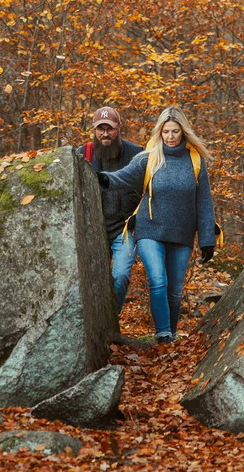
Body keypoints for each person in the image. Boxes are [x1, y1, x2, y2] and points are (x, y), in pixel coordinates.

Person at [96, 106, 216, 344]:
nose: (170, 137)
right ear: (160, 132)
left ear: (183, 132)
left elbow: (204, 202)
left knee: (175, 290)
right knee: (158, 281)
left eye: (175, 131)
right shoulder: (149, 157)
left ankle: (171, 334)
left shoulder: (195, 161)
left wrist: (207, 240)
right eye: (166, 131)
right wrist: (102, 178)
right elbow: (123, 176)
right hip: (149, 229)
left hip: (181, 233)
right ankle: (163, 334)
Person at [77, 106, 144, 312]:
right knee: (92, 280)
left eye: (110, 129)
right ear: (94, 129)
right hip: (94, 230)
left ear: (119, 128)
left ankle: (111, 319)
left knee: (120, 275)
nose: (105, 134)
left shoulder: (137, 154)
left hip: (124, 229)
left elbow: (149, 190)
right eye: (101, 129)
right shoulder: (83, 154)